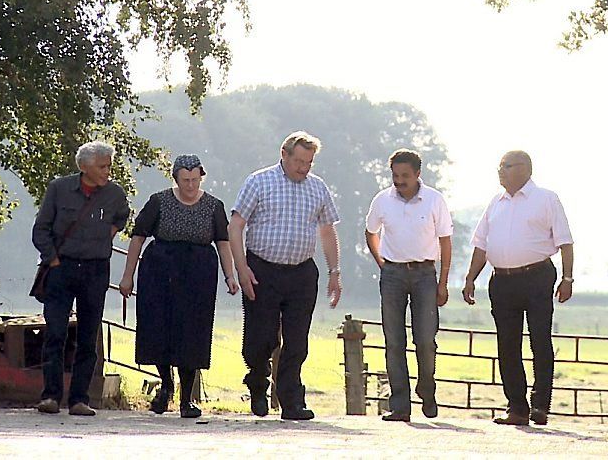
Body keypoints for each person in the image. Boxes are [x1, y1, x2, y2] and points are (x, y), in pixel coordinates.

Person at [228, 131, 342, 421]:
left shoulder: (318, 188)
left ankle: (291, 400)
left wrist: (334, 271)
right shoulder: (258, 181)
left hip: (302, 273)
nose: (304, 168)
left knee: (297, 339)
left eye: (309, 162)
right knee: (260, 335)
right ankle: (257, 380)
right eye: (299, 161)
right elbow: (236, 225)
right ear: (284, 154)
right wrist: (242, 269)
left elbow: (328, 231)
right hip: (263, 269)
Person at [119, 155, 238, 418]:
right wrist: (128, 275)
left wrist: (230, 275)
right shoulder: (158, 201)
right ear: (176, 179)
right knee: (158, 328)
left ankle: (187, 399)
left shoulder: (213, 206)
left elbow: (223, 242)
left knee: (192, 332)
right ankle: (166, 385)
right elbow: (138, 238)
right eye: (186, 180)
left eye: (195, 180)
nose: (191, 185)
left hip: (197, 275)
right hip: (160, 271)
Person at [462, 150, 574, 426]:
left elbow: (565, 242)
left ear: (525, 169)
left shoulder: (547, 199)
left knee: (540, 341)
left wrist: (567, 278)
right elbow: (481, 244)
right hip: (502, 281)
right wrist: (470, 278)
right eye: (499, 166)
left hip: (537, 276)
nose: (501, 171)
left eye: (506, 166)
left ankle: (540, 405)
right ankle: (517, 407)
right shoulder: (495, 203)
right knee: (507, 345)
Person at [32, 141, 131, 416]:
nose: (107, 171)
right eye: (102, 166)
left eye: (109, 165)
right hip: (61, 268)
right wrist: (52, 258)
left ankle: (79, 399)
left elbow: (122, 218)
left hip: (95, 270)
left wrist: (103, 237)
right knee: (55, 332)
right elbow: (40, 229)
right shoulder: (59, 189)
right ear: (85, 166)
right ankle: (51, 396)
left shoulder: (114, 194)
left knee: (88, 336)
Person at [365, 149, 453, 422]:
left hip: (426, 274)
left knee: (426, 340)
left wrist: (443, 282)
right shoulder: (382, 200)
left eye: (405, 175)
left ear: (417, 174)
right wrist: (382, 263)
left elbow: (446, 242)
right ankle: (400, 404)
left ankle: (427, 389)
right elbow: (371, 232)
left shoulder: (434, 200)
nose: (399, 181)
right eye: (395, 175)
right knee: (394, 341)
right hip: (392, 274)